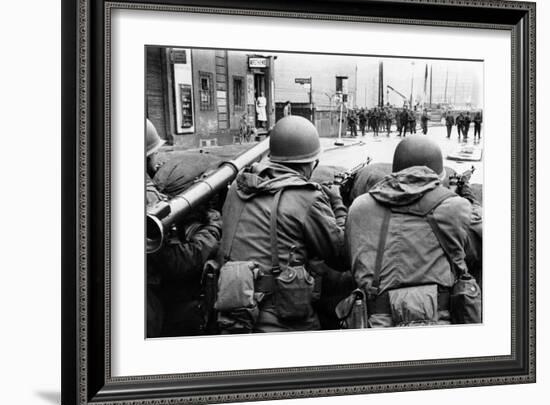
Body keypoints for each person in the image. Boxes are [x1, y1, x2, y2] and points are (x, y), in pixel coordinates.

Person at [217, 115, 347, 333]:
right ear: (310, 163)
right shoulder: (305, 197)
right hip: (281, 316)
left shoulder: (238, 187)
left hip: (234, 309)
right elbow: (340, 256)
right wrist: (338, 204)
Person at [346, 135, 482, 327]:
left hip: (375, 323)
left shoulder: (359, 207)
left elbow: (351, 258)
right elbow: (480, 244)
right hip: (440, 322)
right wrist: (465, 196)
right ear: (439, 176)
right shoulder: (456, 208)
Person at [145, 119, 222, 337]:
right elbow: (176, 262)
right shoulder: (150, 199)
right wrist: (213, 229)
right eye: (153, 154)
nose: (157, 162)